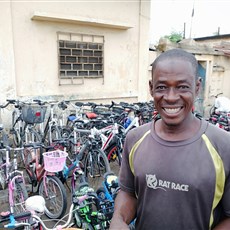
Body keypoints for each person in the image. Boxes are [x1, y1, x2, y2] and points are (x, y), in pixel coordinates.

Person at [110, 48, 230, 230]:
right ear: (151, 88)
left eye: (182, 87)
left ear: (197, 87)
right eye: (162, 87)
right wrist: (118, 219)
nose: (171, 97)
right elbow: (128, 192)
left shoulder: (223, 146)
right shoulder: (135, 139)